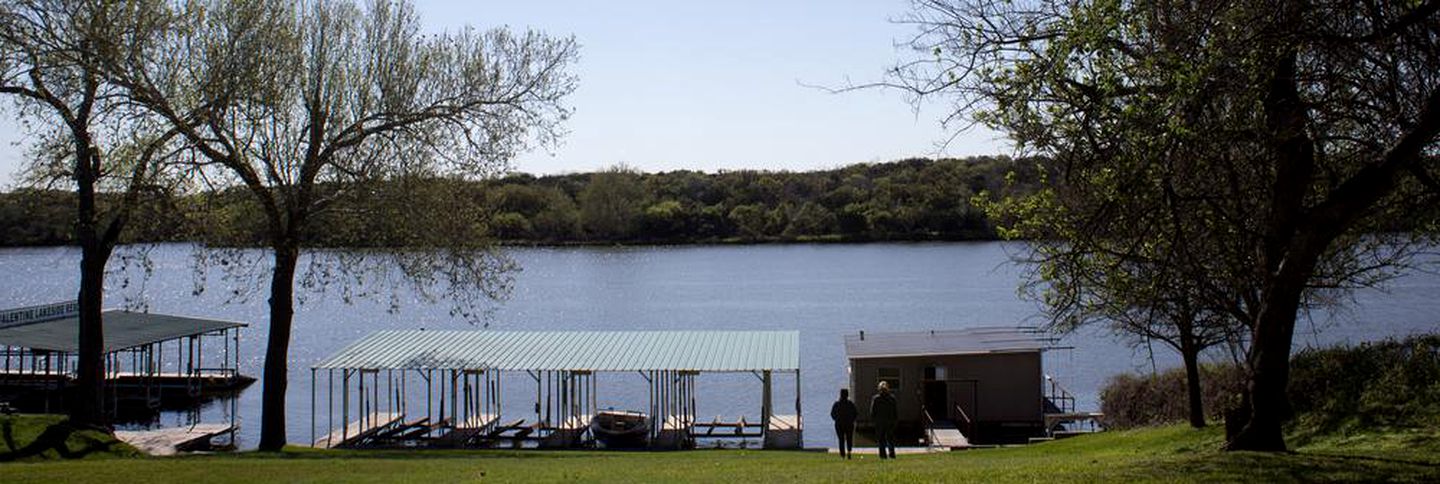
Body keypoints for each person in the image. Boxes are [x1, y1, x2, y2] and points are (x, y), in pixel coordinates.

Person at [871, 380, 898, 459]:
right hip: (890, 421)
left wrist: (874, 420)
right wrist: (895, 420)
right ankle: (891, 454)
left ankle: (882, 455)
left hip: (879, 422)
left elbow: (873, 411)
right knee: (890, 439)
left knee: (881, 439)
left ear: (879, 389)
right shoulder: (892, 398)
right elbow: (895, 411)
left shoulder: (876, 399)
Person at [830, 388, 858, 459]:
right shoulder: (850, 404)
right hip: (849, 424)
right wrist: (852, 420)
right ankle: (849, 452)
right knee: (849, 438)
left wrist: (836, 419)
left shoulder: (836, 404)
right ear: (847, 395)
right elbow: (856, 413)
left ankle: (842, 455)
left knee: (841, 439)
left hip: (839, 424)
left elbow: (832, 414)